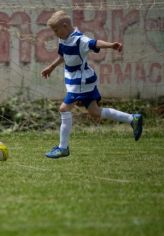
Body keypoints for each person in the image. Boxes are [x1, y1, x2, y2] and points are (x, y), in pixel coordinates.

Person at [41, 10, 143, 159]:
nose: (55, 33)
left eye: (56, 30)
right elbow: (64, 55)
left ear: (64, 26)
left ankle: (63, 148)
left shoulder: (79, 39)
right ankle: (132, 118)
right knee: (95, 112)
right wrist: (51, 67)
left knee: (64, 109)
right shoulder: (63, 39)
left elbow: (95, 43)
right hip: (76, 80)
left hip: (80, 81)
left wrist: (111, 45)